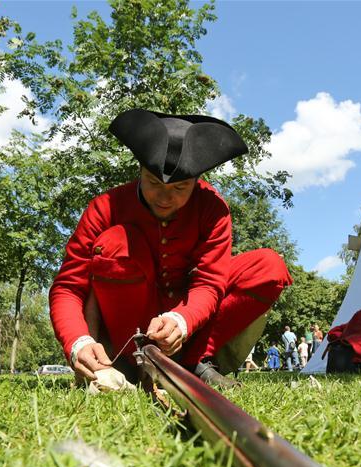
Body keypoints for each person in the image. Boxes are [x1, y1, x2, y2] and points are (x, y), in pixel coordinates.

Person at [49, 109, 292, 390]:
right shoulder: (104, 208)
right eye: (154, 183)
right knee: (117, 241)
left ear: (196, 181)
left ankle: (195, 362)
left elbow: (210, 283)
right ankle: (125, 363)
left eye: (181, 187)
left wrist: (182, 320)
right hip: (122, 329)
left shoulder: (213, 208)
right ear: (139, 170)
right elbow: (68, 287)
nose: (165, 197)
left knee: (268, 267)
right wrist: (79, 341)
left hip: (188, 326)